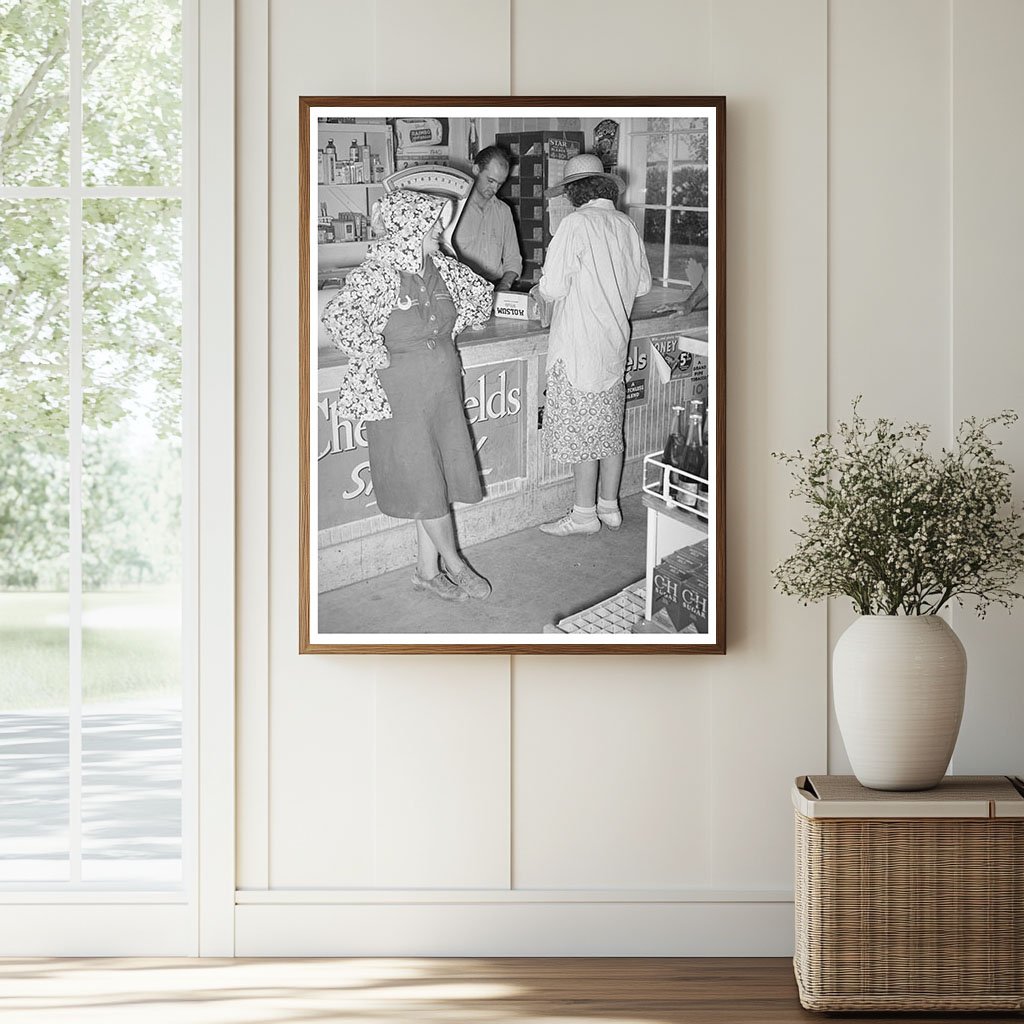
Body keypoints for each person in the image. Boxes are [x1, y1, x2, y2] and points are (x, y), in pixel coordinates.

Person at [321, 189, 495, 601]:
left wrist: (453, 327)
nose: (439, 229)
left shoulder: (441, 267)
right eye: (432, 223)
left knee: (432, 481)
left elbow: (481, 296)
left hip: (442, 389)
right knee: (422, 481)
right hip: (400, 393)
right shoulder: (376, 274)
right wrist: (373, 351)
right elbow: (337, 317)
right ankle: (454, 564)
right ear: (409, 228)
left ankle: (425, 572)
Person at [535, 153, 652, 536]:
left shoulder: (576, 224)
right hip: (614, 345)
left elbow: (551, 288)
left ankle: (584, 515)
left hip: (579, 347)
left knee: (585, 434)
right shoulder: (625, 225)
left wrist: (542, 285)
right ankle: (609, 506)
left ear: (574, 191)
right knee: (608, 431)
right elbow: (643, 287)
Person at [452, 145, 523, 289]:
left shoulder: (504, 211)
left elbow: (513, 259)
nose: (495, 189)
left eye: (500, 183)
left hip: (494, 287)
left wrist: (505, 284)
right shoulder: (453, 208)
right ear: (476, 170)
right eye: (490, 181)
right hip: (460, 289)